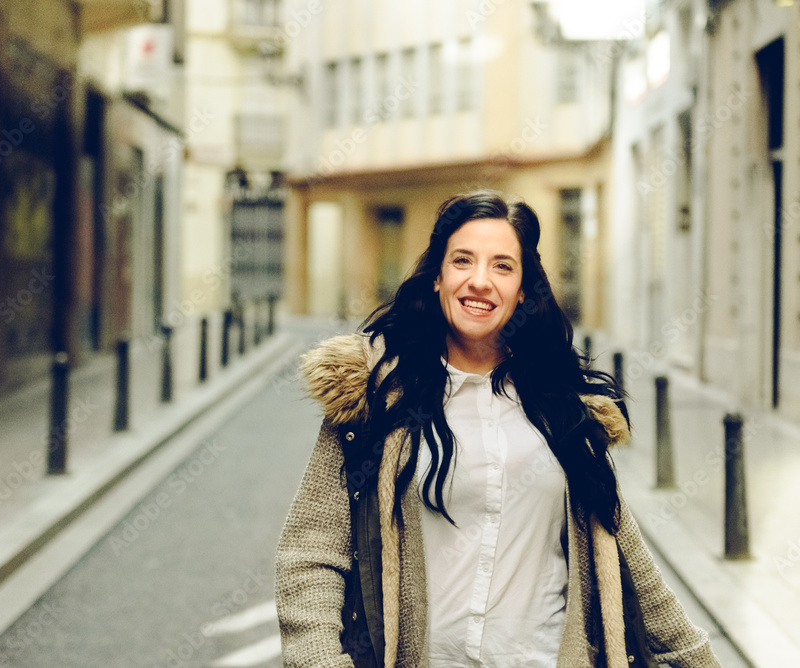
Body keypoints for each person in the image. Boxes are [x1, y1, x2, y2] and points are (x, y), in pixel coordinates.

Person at [276, 190, 722, 667]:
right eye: (462, 260)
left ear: (524, 289)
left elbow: (625, 554)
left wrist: (697, 657)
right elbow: (311, 553)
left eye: (503, 266)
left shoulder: (562, 407)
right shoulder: (374, 395)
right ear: (437, 278)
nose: (480, 281)